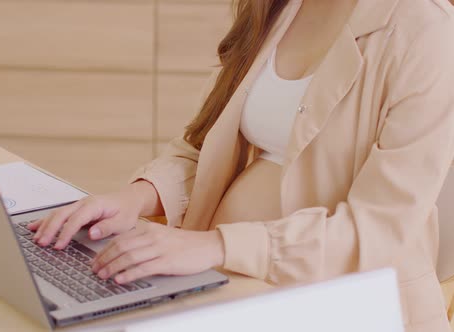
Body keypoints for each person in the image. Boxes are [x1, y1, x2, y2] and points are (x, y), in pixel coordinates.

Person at [30, 0, 454, 330]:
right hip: (235, 286)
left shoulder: (426, 31)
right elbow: (206, 148)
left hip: (345, 307)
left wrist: (217, 245)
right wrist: (136, 197)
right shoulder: (278, 9)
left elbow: (378, 231)